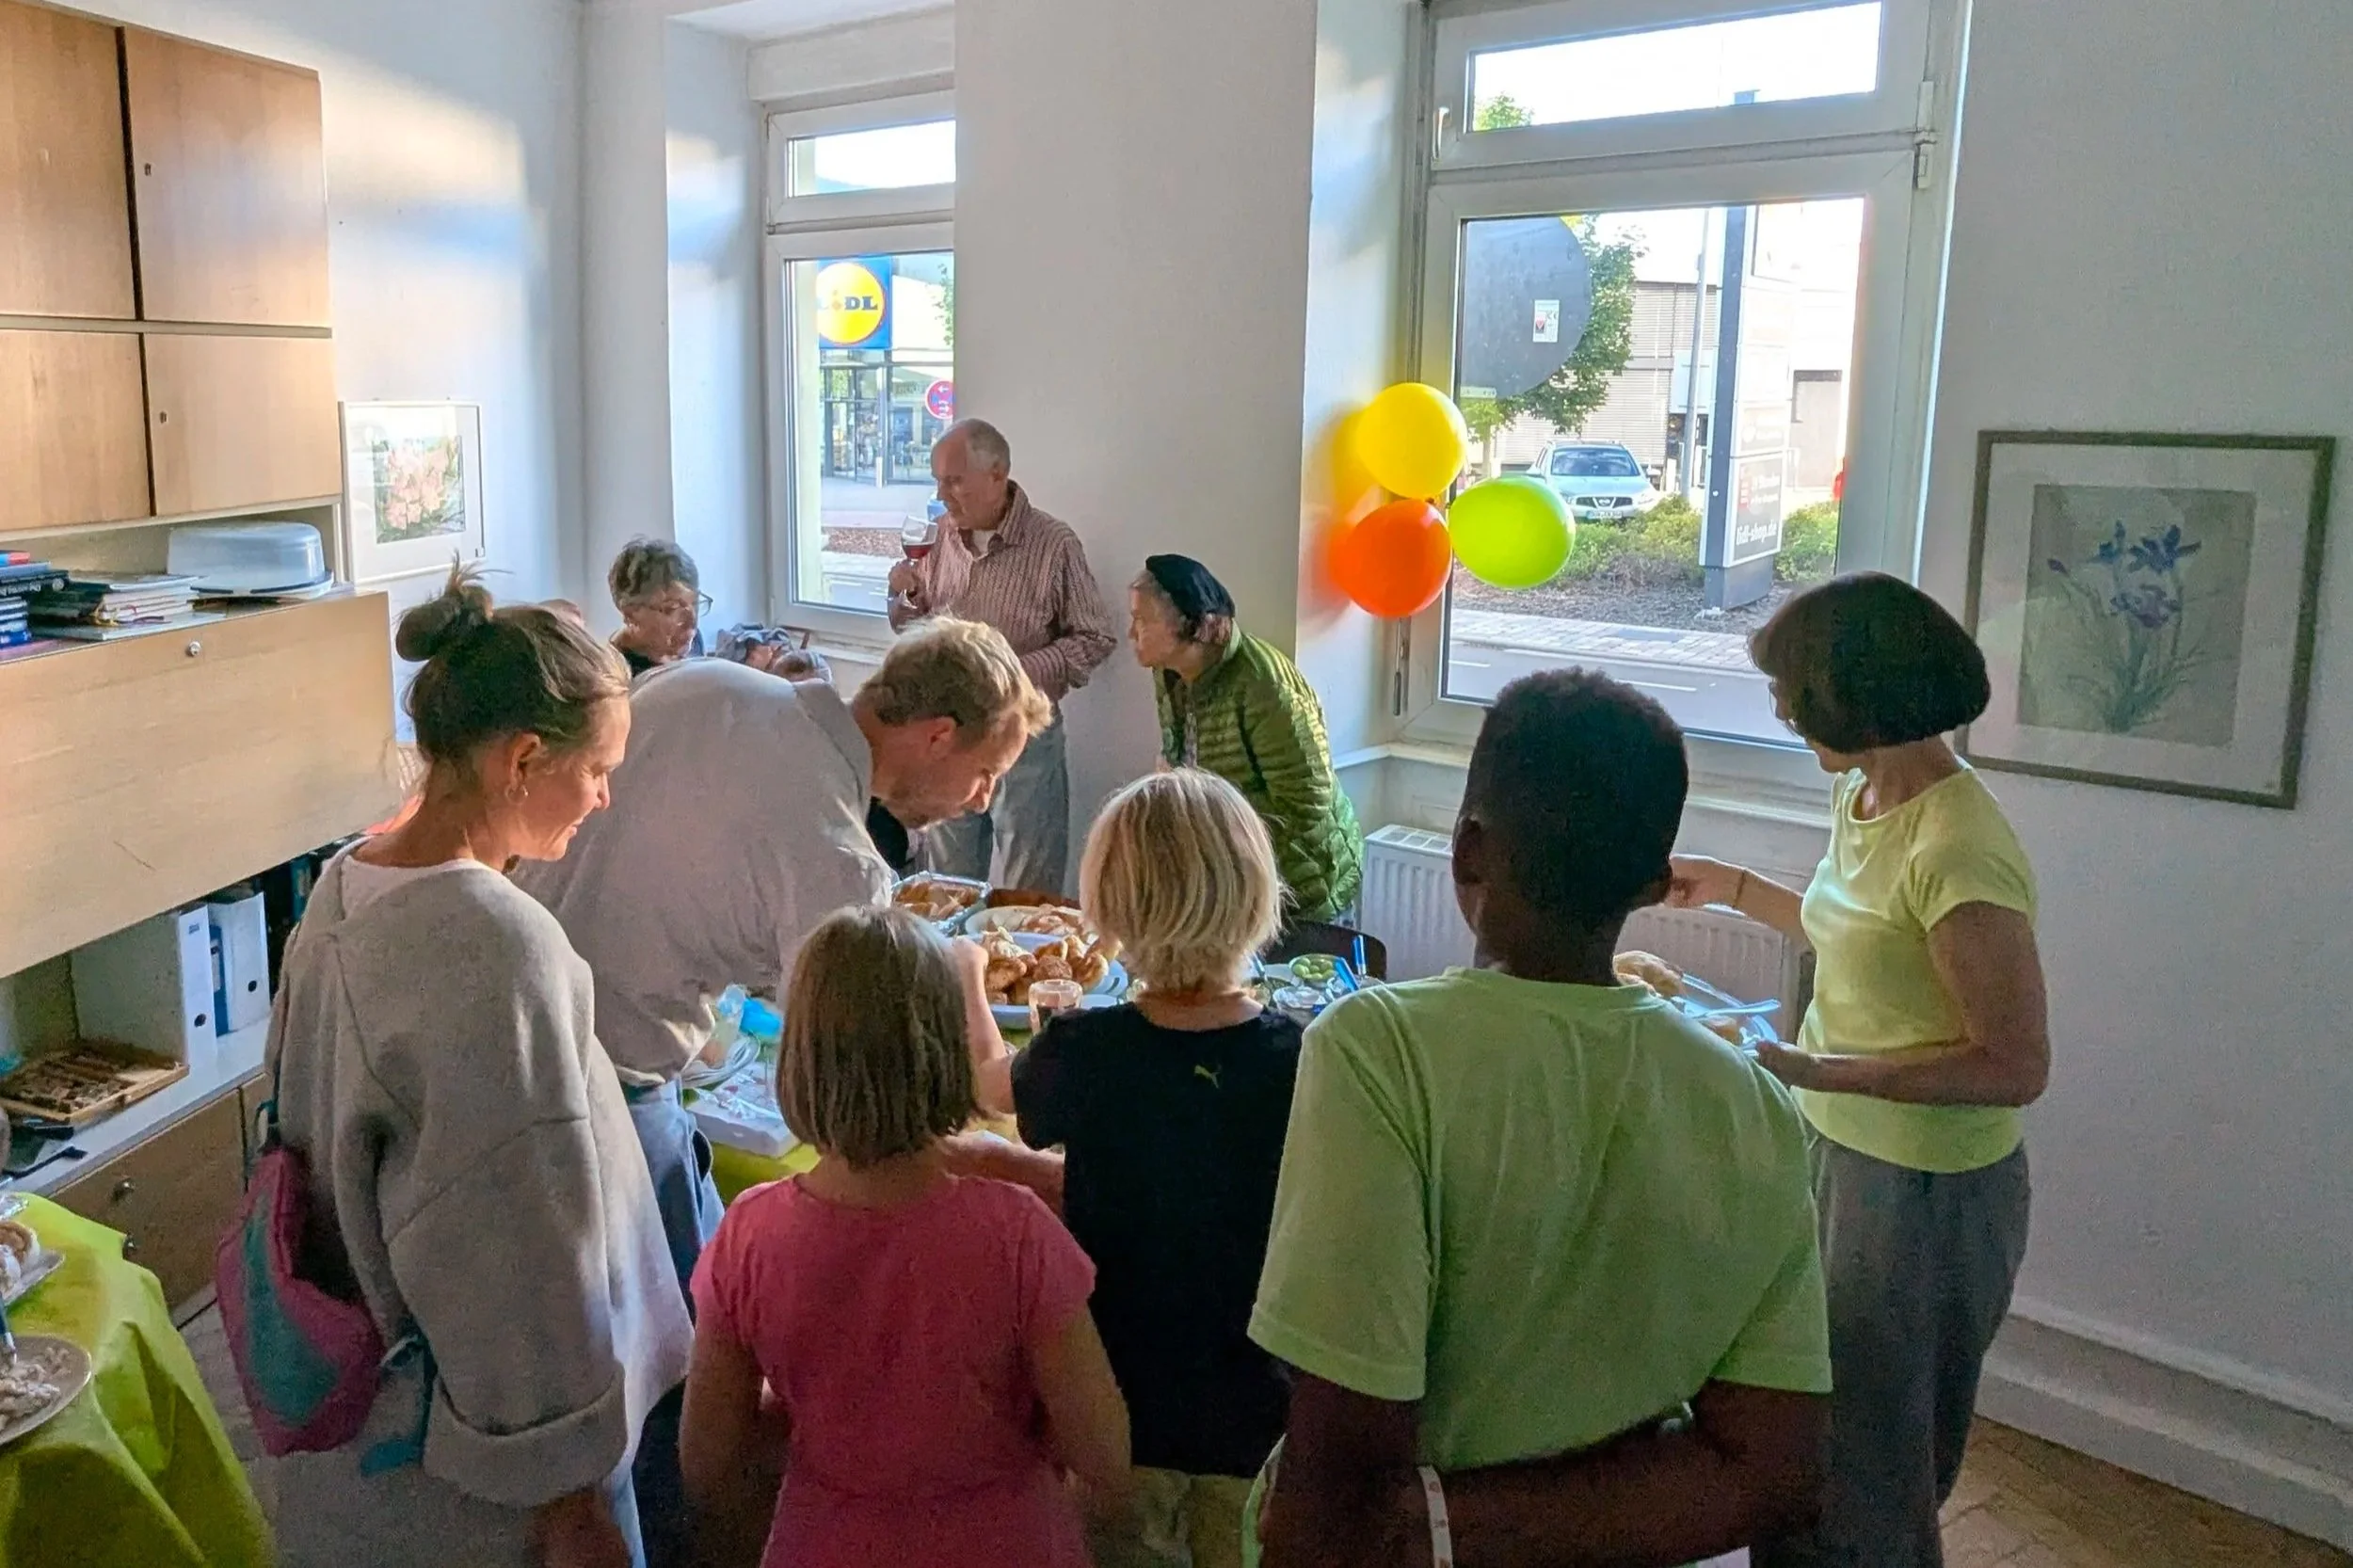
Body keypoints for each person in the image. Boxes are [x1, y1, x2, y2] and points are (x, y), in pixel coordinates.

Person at [1251, 669, 1833, 1568]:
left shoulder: (1379, 1050)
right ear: (1653, 883)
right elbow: (1773, 1467)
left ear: (1468, 853)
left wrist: (1424, 1528)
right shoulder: (1755, 1104)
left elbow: (1340, 1479)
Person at [265, 568, 692, 1568]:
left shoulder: (345, 881)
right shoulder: (496, 948)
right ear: (524, 759)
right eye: (598, 771)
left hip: (357, 1419)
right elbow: (519, 1251)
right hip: (480, 1485)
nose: (604, 798)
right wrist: (568, 1493)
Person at [1669, 573, 2049, 1568]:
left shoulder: (1960, 849)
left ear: (1858, 695)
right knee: (1804, 1419)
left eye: (1792, 694)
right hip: (1834, 1147)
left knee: (1873, 1463)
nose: (1782, 713)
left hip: (1924, 1190)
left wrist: (1827, 1071)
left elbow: (2014, 1063)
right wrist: (1732, 887)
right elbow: (1858, 940)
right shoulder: (1863, 792)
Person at [512, 615, 1051, 1288]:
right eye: (985, 773)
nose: (981, 800)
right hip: (605, 1092)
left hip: (509, 1014)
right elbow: (853, 1099)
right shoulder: (839, 860)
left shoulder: (705, 681)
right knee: (698, 1303)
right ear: (938, 736)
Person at [679, 904, 1129, 1568]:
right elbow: (1105, 1457)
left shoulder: (749, 1232)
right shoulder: (1017, 1232)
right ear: (947, 1053)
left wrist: (826, 1414)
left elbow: (707, 1464)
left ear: (798, 1059)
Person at [973, 769, 1300, 1568]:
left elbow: (989, 1087)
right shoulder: (1301, 1056)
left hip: (1117, 1412)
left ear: (1110, 912)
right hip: (1256, 1419)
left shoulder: (1083, 1049)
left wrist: (963, 977)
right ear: (1257, 896)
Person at [888, 419, 1114, 891]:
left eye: (954, 481)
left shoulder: (1053, 544)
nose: (943, 495)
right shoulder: (937, 537)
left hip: (1025, 739)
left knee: (1030, 890)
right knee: (947, 887)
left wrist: (1012, 674)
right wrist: (903, 599)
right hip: (950, 736)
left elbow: (1094, 638)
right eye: (938, 481)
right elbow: (914, 631)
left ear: (997, 474)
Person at [1128, 554, 1362, 923]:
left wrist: (1212, 826)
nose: (1131, 633)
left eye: (1142, 620)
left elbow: (1307, 805)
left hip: (1302, 890)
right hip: (1234, 883)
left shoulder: (1266, 686)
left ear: (1190, 625)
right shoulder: (1170, 671)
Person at [608, 536, 707, 677]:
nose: (691, 621)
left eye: (695, 604)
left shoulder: (692, 640)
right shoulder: (613, 674)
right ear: (631, 614)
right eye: (673, 609)